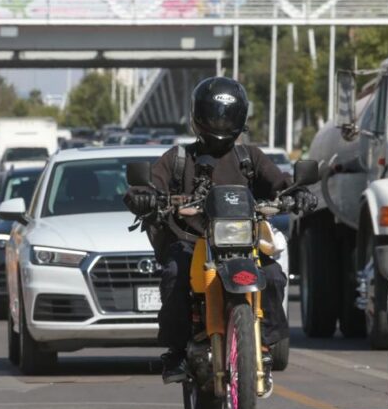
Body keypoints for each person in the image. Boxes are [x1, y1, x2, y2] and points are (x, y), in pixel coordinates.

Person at [124, 77, 316, 385]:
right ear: (198, 115)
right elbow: (148, 184)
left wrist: (298, 192)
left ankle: (264, 344)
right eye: (213, 115)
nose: (220, 122)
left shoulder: (249, 157)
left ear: (240, 118)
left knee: (273, 275)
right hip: (191, 241)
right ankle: (176, 351)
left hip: (242, 243)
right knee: (174, 274)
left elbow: (280, 183)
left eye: (227, 116)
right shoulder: (178, 159)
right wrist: (142, 195)